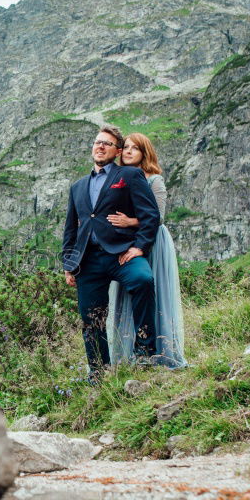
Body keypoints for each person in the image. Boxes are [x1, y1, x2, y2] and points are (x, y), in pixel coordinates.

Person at [61, 126, 161, 380]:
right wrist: (68, 262)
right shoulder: (78, 186)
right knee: (91, 318)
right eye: (97, 142)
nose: (100, 146)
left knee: (142, 280)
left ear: (117, 151)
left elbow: (150, 215)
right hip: (88, 260)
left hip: (121, 254)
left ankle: (145, 353)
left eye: (107, 143)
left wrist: (139, 247)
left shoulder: (128, 175)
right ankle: (98, 371)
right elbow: (71, 228)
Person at [105, 133, 187, 369]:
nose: (128, 151)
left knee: (153, 289)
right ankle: (127, 354)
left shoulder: (154, 180)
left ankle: (158, 352)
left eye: (135, 148)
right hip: (127, 243)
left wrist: (130, 222)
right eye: (126, 147)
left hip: (153, 242)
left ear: (144, 152)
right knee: (128, 293)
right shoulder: (120, 178)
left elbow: (158, 216)